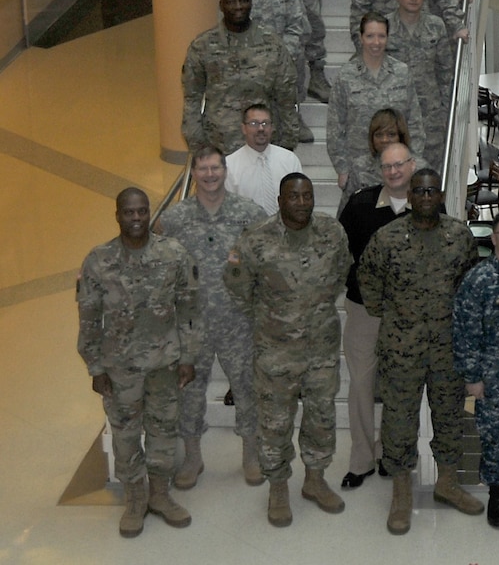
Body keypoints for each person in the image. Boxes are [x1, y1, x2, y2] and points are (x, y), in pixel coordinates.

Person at [224, 173, 352, 527]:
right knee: (275, 422)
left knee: (321, 417)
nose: (301, 202)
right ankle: (278, 486)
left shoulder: (331, 233)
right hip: (275, 352)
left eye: (307, 195)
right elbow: (237, 285)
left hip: (322, 348)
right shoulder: (256, 239)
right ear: (280, 200)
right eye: (293, 196)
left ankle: (314, 479)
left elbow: (341, 273)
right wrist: (271, 317)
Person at [358, 166, 481, 533]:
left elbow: (470, 284)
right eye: (419, 192)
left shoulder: (459, 236)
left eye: (432, 192)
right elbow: (368, 280)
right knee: (398, 420)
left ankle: (446, 482)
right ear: (409, 197)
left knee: (449, 415)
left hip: (447, 347)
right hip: (401, 348)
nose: (426, 198)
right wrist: (394, 316)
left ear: (440, 196)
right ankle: (401, 491)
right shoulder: (387, 238)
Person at [77, 187, 199, 537]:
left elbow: (189, 311)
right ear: (117, 215)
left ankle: (160, 495)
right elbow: (88, 317)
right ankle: (135, 499)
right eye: (128, 212)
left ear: (149, 214)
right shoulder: (98, 261)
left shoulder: (174, 254)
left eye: (142, 212)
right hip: (120, 368)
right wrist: (95, 366)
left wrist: (189, 356)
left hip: (165, 364)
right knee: (126, 436)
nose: (136, 219)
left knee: (163, 430)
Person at [155, 147, 266, 489]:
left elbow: (268, 257)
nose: (209, 174)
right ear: (195, 173)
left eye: (215, 167)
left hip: (238, 322)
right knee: (189, 394)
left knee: (248, 390)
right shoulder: (175, 218)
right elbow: (152, 256)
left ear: (224, 170)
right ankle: (192, 457)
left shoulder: (249, 213)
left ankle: (250, 455)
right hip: (191, 327)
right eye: (202, 169)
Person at [336, 136, 416, 487]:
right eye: (387, 165)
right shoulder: (360, 205)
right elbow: (341, 252)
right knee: (361, 384)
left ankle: (391, 453)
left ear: (412, 165)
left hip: (408, 315)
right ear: (379, 170)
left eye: (400, 164)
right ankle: (362, 458)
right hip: (363, 311)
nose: (394, 171)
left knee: (400, 385)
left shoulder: (428, 204)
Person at [181, 0, 300, 153]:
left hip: (264, 145)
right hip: (219, 148)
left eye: (244, 0)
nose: (238, 6)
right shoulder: (202, 47)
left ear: (251, 2)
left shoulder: (272, 44)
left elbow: (286, 99)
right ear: (221, 5)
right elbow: (192, 99)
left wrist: (286, 145)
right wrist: (199, 147)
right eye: (231, 1)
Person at [328, 13, 427, 195]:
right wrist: (342, 168)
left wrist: (412, 160)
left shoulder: (401, 73)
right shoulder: (346, 76)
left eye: (381, 36)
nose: (376, 42)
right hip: (359, 171)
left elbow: (414, 122)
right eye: (370, 36)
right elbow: (335, 127)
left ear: (388, 38)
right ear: (361, 37)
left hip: (397, 169)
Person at [242, 0, 312, 126]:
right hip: (249, 65)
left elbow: (296, 26)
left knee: (297, 57)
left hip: (282, 64)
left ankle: (291, 117)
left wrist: (279, 56)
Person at [385, 0, 456, 149]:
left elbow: (445, 74)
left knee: (430, 173)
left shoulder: (435, 26)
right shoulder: (384, 28)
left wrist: (447, 114)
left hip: (430, 118)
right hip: (395, 115)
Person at [226, 102, 302, 215]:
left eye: (265, 123)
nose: (261, 128)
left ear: (272, 127)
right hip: (248, 230)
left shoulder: (289, 159)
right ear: (244, 128)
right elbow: (228, 209)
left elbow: (299, 201)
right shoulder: (229, 165)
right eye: (254, 123)